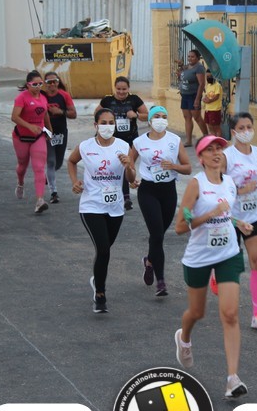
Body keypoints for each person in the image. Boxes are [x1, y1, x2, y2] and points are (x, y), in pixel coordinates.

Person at [173, 135, 253, 399]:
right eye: (210, 150)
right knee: (197, 312)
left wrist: (239, 223)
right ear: (201, 158)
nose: (217, 153)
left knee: (230, 314)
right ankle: (184, 337)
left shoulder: (229, 183)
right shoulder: (196, 184)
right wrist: (209, 214)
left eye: (219, 148)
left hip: (228, 253)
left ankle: (232, 379)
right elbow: (181, 227)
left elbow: (227, 214)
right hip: (199, 256)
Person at [67, 108, 136, 313]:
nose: (108, 126)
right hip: (91, 205)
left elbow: (131, 179)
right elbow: (71, 161)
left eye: (111, 122)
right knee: (104, 249)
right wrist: (74, 181)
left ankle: (97, 278)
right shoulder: (86, 146)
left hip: (115, 207)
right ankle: (100, 294)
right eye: (103, 123)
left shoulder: (123, 146)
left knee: (104, 251)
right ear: (95, 125)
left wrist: (128, 166)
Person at [222, 112, 257, 331]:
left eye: (249, 127)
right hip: (231, 218)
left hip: (254, 215)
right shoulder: (227, 156)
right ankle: (217, 272)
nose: (246, 131)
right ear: (233, 132)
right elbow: (216, 186)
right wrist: (239, 190)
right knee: (230, 264)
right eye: (241, 128)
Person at [129, 106, 191, 297]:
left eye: (164, 116)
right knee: (157, 234)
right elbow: (129, 164)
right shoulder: (139, 142)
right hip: (148, 190)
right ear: (149, 120)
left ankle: (149, 261)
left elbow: (188, 167)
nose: (160, 120)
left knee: (158, 235)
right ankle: (161, 281)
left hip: (168, 191)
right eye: (157, 116)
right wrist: (132, 179)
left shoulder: (174, 140)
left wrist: (174, 166)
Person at [97, 76, 148, 210]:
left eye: (124, 89)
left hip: (130, 139)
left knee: (126, 166)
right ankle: (114, 194)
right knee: (113, 167)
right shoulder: (108, 100)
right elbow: (97, 115)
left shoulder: (134, 99)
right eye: (118, 89)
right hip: (112, 140)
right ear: (115, 88)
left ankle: (126, 197)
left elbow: (147, 115)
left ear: (128, 88)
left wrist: (136, 115)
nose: (121, 92)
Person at [11, 71, 53, 213]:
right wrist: (29, 126)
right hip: (21, 137)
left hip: (38, 137)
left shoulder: (43, 97)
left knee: (39, 167)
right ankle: (20, 183)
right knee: (22, 165)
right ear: (28, 85)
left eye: (40, 84)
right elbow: (14, 117)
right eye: (35, 84)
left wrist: (49, 131)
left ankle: (40, 200)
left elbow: (45, 114)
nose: (38, 87)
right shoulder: (21, 98)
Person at [43, 71, 77, 203]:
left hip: (61, 133)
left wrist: (60, 111)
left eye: (55, 81)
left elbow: (73, 114)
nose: (52, 84)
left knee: (58, 162)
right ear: (45, 83)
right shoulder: (42, 96)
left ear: (58, 82)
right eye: (49, 82)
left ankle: (48, 176)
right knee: (51, 161)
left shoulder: (64, 95)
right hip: (47, 133)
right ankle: (54, 192)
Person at [175, 49, 208, 146]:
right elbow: (182, 78)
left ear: (197, 58)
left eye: (192, 56)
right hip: (184, 95)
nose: (190, 58)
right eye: (189, 56)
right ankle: (188, 141)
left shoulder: (199, 68)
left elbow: (202, 84)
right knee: (187, 117)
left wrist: (197, 99)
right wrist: (179, 72)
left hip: (193, 95)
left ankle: (207, 137)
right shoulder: (187, 67)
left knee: (197, 117)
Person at [202, 70, 223, 137]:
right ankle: (212, 139)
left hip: (215, 109)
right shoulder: (208, 85)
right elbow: (206, 95)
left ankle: (218, 139)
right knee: (209, 126)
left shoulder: (217, 85)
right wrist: (205, 99)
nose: (209, 78)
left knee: (216, 127)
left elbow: (216, 96)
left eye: (210, 76)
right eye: (207, 76)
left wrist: (209, 101)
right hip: (208, 109)